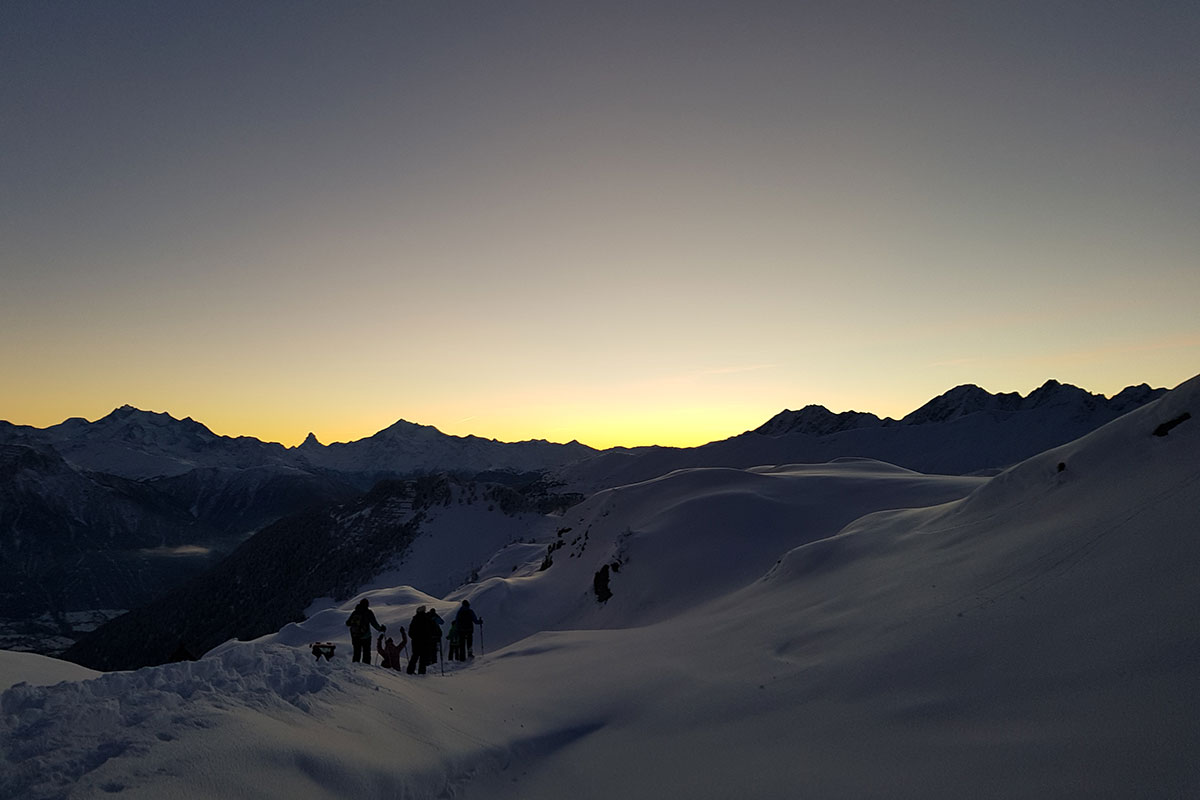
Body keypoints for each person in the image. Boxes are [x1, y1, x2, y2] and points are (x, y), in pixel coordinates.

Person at [346, 598, 385, 664]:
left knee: (356, 653)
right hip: (366, 636)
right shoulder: (368, 612)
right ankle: (366, 668)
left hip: (355, 636)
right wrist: (381, 629)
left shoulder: (355, 612)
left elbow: (348, 623)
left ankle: (354, 667)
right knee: (366, 653)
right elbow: (374, 623)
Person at [406, 606, 434, 674]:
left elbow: (410, 632)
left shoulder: (415, 619)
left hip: (416, 642)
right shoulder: (428, 619)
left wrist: (415, 637)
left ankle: (410, 671)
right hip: (425, 642)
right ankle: (421, 672)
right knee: (423, 658)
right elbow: (432, 630)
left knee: (415, 656)